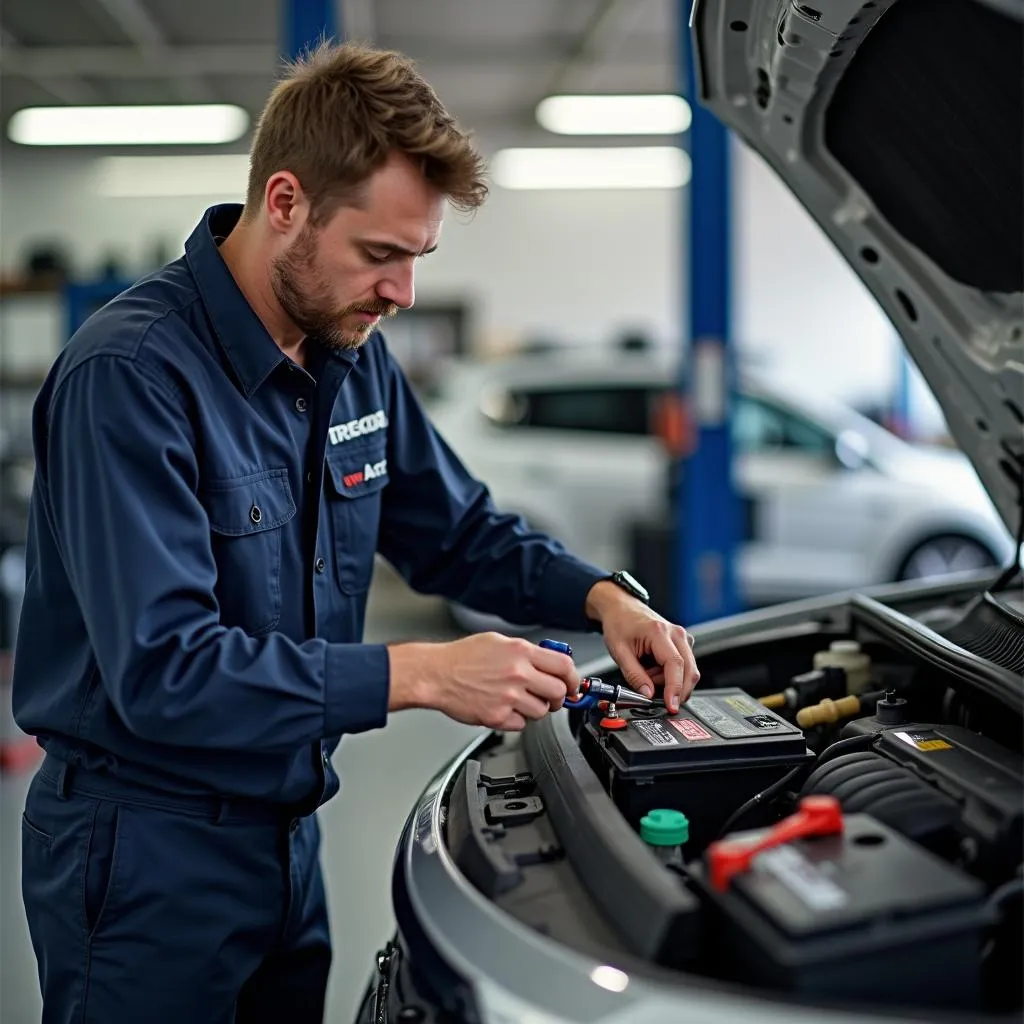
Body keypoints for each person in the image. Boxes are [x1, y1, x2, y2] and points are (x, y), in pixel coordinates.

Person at [12, 40, 699, 1024]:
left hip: (287, 838)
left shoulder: (350, 354)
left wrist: (601, 597)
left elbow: (457, 533)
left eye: (417, 259)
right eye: (379, 255)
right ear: (283, 202)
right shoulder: (130, 377)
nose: (401, 295)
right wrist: (421, 673)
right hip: (141, 858)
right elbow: (165, 671)